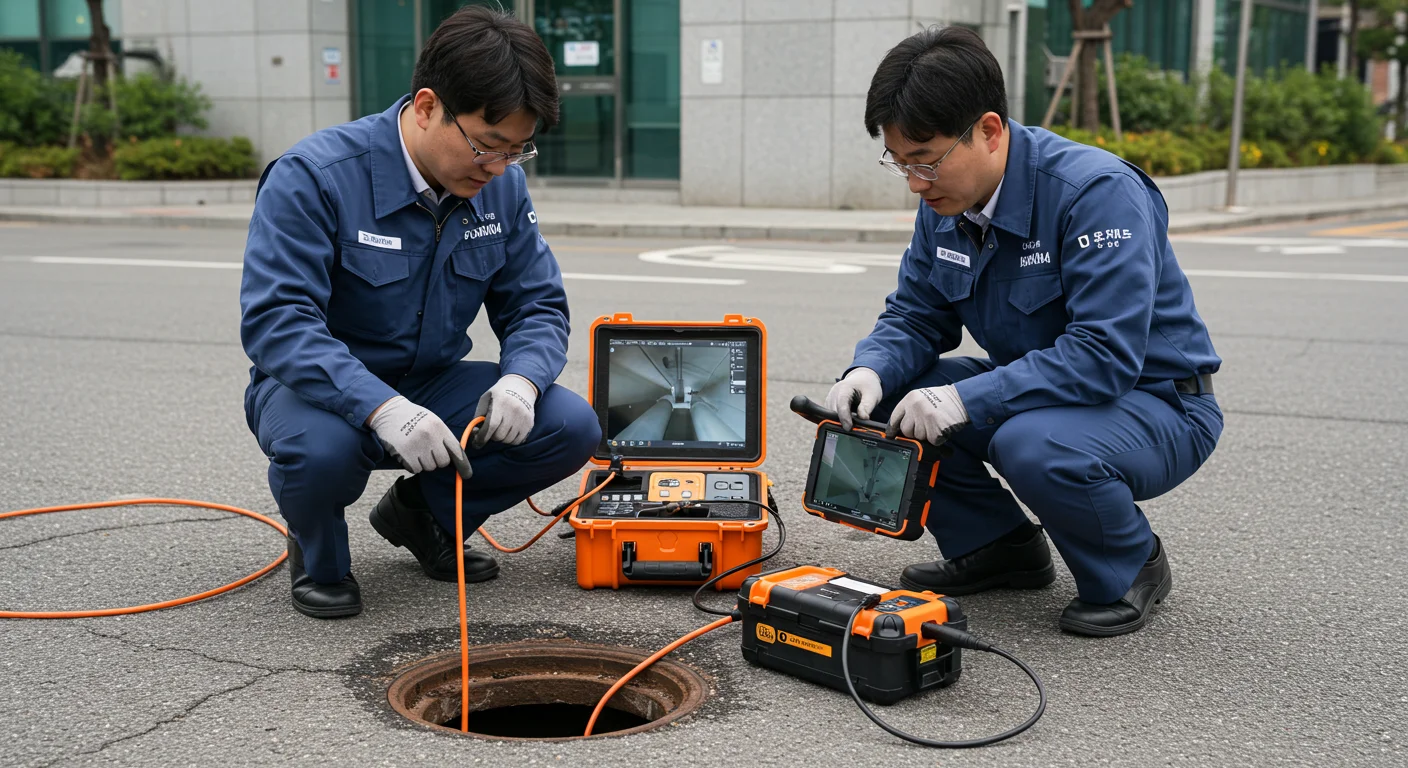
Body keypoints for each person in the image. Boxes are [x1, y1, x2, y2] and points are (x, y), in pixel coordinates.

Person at [826, 26, 1223, 637]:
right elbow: (915, 314)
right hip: (1043, 393)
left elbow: (1104, 355)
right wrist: (868, 371)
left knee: (1029, 443)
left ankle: (1131, 564)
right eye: (900, 162)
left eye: (926, 160)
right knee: (897, 397)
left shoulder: (1096, 193)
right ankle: (998, 546)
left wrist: (964, 399)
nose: (914, 183)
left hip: (1157, 401)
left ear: (989, 130)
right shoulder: (945, 206)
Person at [239, 6, 600, 619]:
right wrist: (381, 408)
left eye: (517, 152)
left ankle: (424, 516)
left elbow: (536, 303)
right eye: (488, 146)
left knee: (569, 425)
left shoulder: (501, 187)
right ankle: (319, 554)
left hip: (431, 381)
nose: (498, 168)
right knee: (321, 451)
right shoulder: (314, 178)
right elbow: (278, 322)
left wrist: (523, 380)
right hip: (318, 390)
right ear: (428, 106)